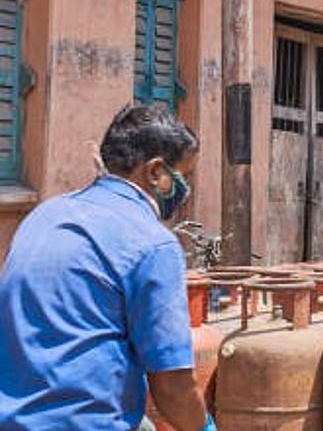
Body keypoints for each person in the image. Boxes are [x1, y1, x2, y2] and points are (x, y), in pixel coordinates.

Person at [0, 104, 215, 430]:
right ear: (155, 172)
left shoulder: (45, 215)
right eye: (183, 178)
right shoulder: (153, 243)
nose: (185, 192)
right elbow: (173, 387)